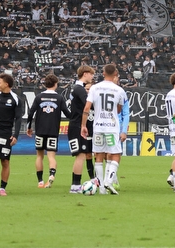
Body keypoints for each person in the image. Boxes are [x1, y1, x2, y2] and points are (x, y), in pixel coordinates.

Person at [81, 64, 128, 195]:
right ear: (115, 74)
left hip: (98, 126)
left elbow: (86, 108)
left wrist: (83, 126)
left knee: (99, 156)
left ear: (103, 73)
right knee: (116, 155)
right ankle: (108, 181)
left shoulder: (94, 88)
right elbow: (119, 110)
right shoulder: (119, 90)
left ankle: (101, 188)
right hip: (112, 126)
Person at [26, 73, 70, 188]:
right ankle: (51, 175)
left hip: (40, 130)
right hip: (53, 131)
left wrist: (29, 127)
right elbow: (67, 113)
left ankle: (40, 181)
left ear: (45, 84)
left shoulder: (39, 97)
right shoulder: (59, 98)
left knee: (39, 156)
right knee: (51, 156)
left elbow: (31, 113)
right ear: (56, 84)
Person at [67, 65, 95, 193]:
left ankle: (75, 185)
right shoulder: (80, 89)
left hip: (74, 125)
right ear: (85, 74)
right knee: (81, 155)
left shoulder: (76, 88)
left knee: (80, 155)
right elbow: (88, 104)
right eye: (91, 74)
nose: (92, 76)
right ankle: (75, 185)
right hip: (78, 126)